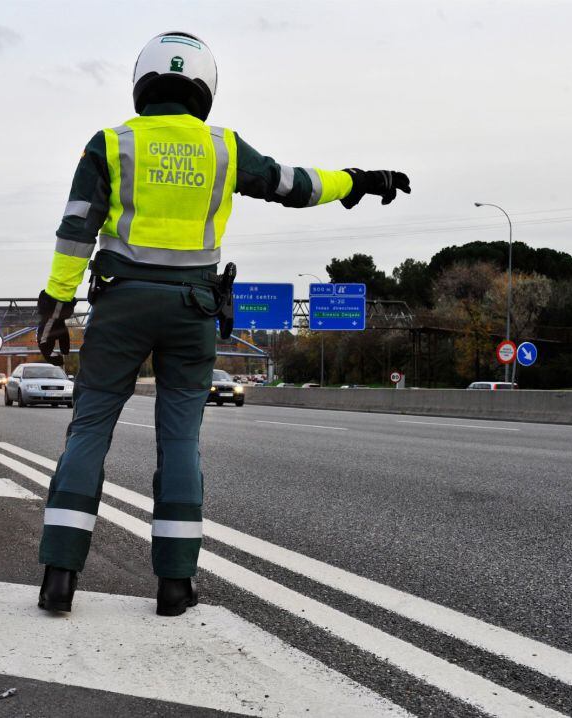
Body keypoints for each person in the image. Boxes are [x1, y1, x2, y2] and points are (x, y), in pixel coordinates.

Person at [35, 31, 410, 616]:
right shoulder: (224, 148)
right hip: (192, 312)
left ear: (142, 82)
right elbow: (294, 184)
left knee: (88, 432)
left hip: (121, 306)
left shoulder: (110, 143)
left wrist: (55, 308)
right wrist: (358, 180)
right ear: (205, 87)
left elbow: (76, 228)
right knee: (179, 442)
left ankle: (60, 575)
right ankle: (175, 585)